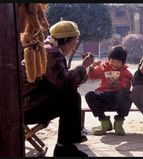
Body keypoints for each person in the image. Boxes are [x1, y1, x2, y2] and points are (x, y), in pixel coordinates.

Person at [22, 20, 94, 157]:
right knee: (71, 97)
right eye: (75, 40)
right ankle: (64, 148)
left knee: (70, 96)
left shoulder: (48, 49)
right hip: (25, 109)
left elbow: (60, 82)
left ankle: (66, 145)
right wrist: (83, 67)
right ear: (67, 40)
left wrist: (82, 71)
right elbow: (65, 84)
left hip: (26, 103)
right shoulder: (51, 53)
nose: (76, 44)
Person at [85, 45, 133, 136]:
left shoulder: (125, 72)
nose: (115, 64)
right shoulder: (103, 67)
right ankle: (104, 122)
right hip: (103, 97)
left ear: (123, 62)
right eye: (112, 60)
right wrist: (92, 66)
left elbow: (128, 85)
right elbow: (92, 76)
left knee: (129, 94)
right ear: (109, 59)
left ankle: (119, 123)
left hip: (118, 99)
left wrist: (120, 85)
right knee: (89, 95)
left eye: (118, 62)